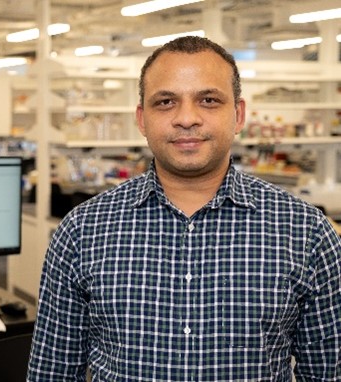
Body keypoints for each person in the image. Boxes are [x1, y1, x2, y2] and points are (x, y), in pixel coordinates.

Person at [26, 36, 341, 381]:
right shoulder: (82, 232)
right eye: (165, 102)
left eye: (208, 100)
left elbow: (329, 373)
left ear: (238, 115)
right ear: (142, 119)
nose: (186, 118)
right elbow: (51, 373)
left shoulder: (307, 232)